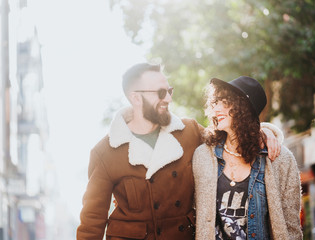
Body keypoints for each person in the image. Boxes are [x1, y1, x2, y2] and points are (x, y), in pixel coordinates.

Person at [76, 63, 282, 240]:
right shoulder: (105, 152)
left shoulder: (189, 131)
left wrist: (263, 131)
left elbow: (230, 137)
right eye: (160, 93)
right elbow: (92, 222)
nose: (168, 98)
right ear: (136, 98)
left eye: (169, 91)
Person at [192, 76, 302, 240]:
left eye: (225, 102)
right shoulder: (203, 156)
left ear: (243, 109)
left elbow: (291, 227)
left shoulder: (280, 160)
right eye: (215, 103)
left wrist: (267, 131)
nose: (216, 110)